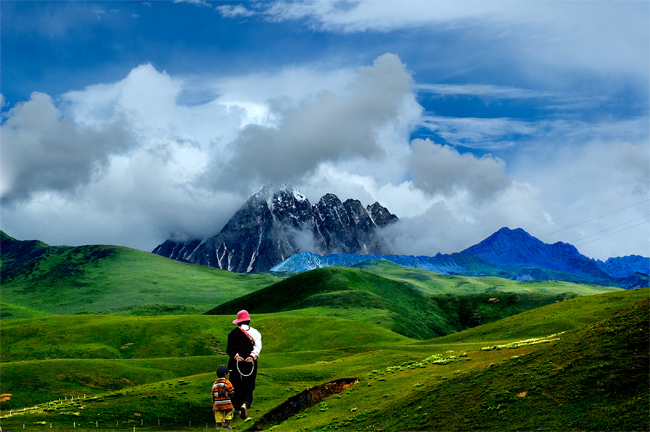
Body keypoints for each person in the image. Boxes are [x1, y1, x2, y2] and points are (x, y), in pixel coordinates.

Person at [226, 310, 262, 420]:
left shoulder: (232, 334)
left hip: (236, 362)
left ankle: (235, 405)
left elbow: (230, 349)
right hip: (250, 363)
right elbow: (257, 346)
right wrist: (252, 356)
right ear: (249, 321)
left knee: (235, 382)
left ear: (238, 322)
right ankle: (245, 403)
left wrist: (236, 356)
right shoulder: (256, 333)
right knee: (249, 382)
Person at [212, 365, 235, 430]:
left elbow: (213, 394)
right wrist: (231, 395)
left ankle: (219, 425)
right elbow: (231, 391)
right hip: (227, 402)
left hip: (217, 404)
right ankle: (226, 424)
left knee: (218, 414)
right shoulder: (227, 382)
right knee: (229, 411)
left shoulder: (215, 384)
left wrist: (214, 402)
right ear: (225, 374)